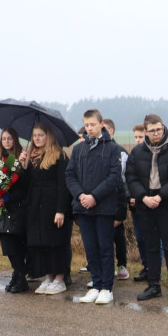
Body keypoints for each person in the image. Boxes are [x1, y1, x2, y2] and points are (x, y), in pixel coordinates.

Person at [125, 114, 168, 302]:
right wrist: (144, 197)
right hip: (146, 205)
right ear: (145, 132)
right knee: (151, 246)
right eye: (152, 131)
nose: (156, 134)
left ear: (163, 128)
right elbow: (131, 177)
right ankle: (153, 286)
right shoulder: (137, 152)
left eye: (159, 129)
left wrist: (160, 196)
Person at [66, 109, 123, 305]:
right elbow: (70, 176)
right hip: (83, 208)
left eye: (92, 124)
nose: (89, 128)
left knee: (104, 248)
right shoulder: (78, 149)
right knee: (90, 248)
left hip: (104, 207)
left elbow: (114, 177)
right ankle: (96, 285)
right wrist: (81, 195)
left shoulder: (112, 148)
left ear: (101, 125)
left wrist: (94, 196)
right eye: (86, 125)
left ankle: (107, 288)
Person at [23, 123, 71, 295]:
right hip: (36, 206)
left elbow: (63, 185)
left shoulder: (59, 156)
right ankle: (48, 277)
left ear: (48, 136)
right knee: (41, 243)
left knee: (55, 243)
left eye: (41, 135)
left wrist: (61, 210)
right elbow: (29, 183)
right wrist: (24, 166)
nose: (36, 138)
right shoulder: (32, 157)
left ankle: (60, 278)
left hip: (53, 205)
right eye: (34, 135)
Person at [0, 127, 29, 293]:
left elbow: (26, 185)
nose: (6, 142)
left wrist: (22, 166)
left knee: (16, 243)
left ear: (15, 140)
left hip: (17, 207)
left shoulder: (21, 158)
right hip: (0, 208)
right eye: (4, 138)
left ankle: (20, 276)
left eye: (10, 139)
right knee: (7, 244)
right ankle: (18, 273)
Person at [102, 119, 130, 282]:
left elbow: (125, 177)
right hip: (101, 199)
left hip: (118, 197)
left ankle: (122, 264)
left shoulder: (121, 151)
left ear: (111, 131)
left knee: (118, 234)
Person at [129, 123, 150, 282]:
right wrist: (130, 196)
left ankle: (153, 268)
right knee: (140, 237)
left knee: (153, 238)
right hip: (136, 204)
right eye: (135, 137)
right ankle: (146, 266)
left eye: (140, 137)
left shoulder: (153, 154)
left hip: (150, 202)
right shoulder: (134, 154)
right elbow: (129, 178)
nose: (138, 140)